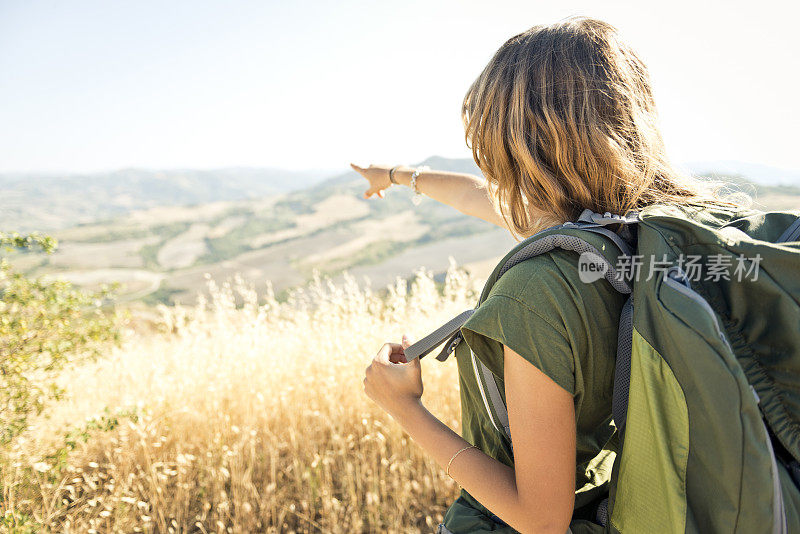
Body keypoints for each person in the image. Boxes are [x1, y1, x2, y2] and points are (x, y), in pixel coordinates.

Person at [351, 16, 734, 534]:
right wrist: (396, 176)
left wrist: (403, 408)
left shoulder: (539, 290)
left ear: (518, 140)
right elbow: (473, 194)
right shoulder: (647, 238)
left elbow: (541, 519)